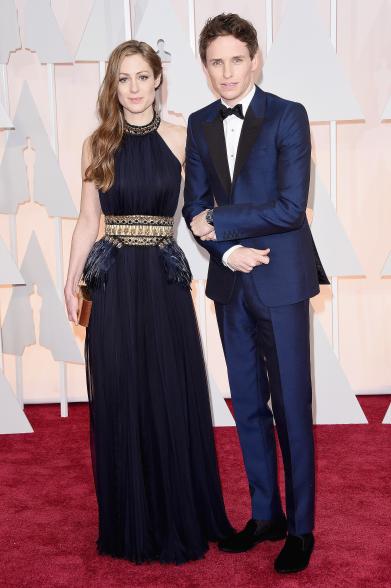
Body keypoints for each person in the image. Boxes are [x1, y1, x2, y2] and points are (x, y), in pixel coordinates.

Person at [64, 39, 233, 565]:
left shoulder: (182, 139)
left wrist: (232, 245)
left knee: (169, 391)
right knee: (121, 392)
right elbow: (89, 219)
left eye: (143, 77)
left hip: (162, 281)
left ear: (158, 80)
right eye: (123, 79)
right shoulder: (97, 145)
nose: (134, 88)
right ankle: (129, 518)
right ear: (113, 87)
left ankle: (177, 512)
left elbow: (203, 211)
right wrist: (71, 280)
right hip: (113, 281)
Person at [183, 13, 329, 574]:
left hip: (282, 280)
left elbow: (292, 207)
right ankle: (265, 514)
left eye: (236, 60)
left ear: (255, 59)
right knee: (247, 405)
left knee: (292, 406)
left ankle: (302, 526)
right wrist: (225, 250)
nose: (226, 72)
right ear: (205, 66)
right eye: (215, 62)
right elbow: (193, 208)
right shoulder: (198, 124)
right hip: (230, 280)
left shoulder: (288, 116)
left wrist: (224, 223)